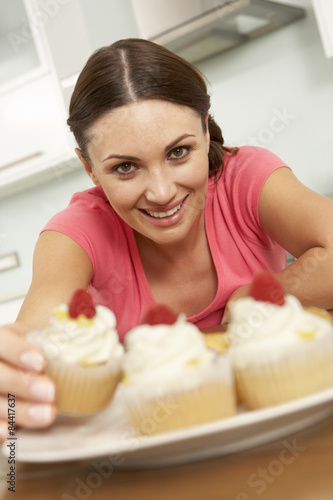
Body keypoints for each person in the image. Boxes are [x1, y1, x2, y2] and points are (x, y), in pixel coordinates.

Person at [1, 38, 333, 441]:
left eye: (178, 152)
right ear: (89, 168)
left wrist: (254, 297)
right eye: (125, 167)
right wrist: (15, 372)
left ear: (203, 126)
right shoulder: (75, 234)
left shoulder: (246, 179)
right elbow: (35, 338)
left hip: (290, 438)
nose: (161, 192)